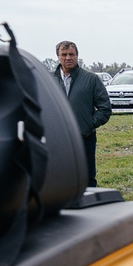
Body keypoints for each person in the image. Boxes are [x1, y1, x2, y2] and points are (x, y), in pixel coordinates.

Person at [52, 40, 111, 188]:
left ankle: (90, 208)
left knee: (87, 179)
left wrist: (88, 125)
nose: (68, 58)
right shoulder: (49, 80)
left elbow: (105, 108)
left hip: (84, 138)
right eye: (63, 54)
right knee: (61, 177)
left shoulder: (91, 79)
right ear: (58, 56)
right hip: (58, 139)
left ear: (77, 56)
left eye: (71, 54)